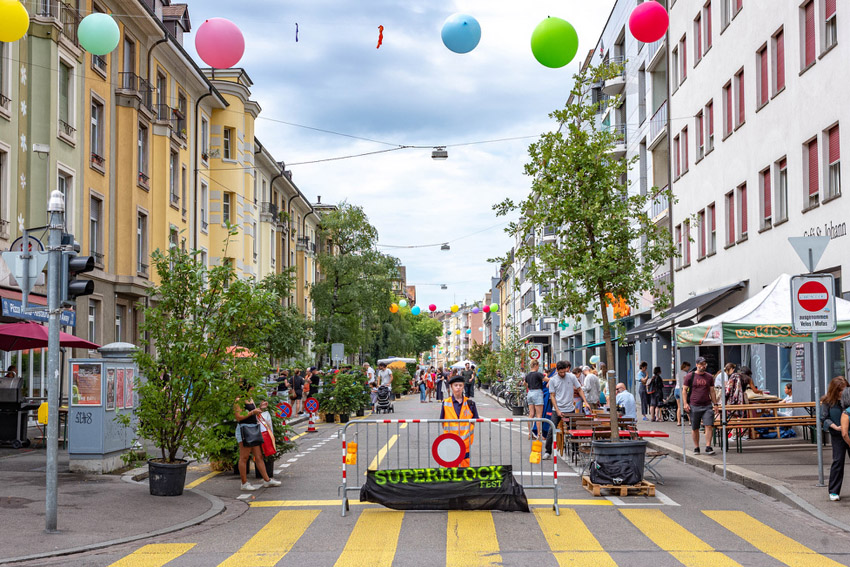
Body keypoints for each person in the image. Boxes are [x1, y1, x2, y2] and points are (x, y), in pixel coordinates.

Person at [234, 387, 281, 491]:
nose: (253, 391)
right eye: (251, 388)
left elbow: (255, 414)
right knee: (244, 457)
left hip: (253, 428)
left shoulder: (250, 398)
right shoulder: (239, 400)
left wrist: (260, 408)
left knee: (259, 456)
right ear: (246, 388)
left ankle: (267, 480)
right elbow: (238, 417)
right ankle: (244, 483)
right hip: (244, 430)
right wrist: (252, 412)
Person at [544, 361, 591, 460]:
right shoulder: (553, 380)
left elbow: (579, 389)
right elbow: (552, 396)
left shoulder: (571, 377)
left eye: (564, 372)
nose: (562, 374)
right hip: (557, 409)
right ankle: (548, 451)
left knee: (573, 431)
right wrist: (557, 410)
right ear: (557, 370)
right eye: (560, 372)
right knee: (551, 430)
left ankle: (575, 452)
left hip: (570, 409)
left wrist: (585, 402)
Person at [440, 375, 479, 467]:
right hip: (450, 441)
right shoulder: (445, 403)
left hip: (465, 442)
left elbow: (474, 420)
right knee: (451, 466)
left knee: (465, 467)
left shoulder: (470, 403)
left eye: (460, 385)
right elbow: (442, 421)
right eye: (456, 385)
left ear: (463, 386)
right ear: (451, 387)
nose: (458, 388)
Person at [821, 376, 849, 501]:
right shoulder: (828, 401)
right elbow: (824, 418)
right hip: (837, 434)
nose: (843, 392)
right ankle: (833, 491)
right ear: (835, 390)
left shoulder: (848, 399)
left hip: (849, 433)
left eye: (845, 389)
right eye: (841, 390)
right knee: (838, 460)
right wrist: (835, 427)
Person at [683, 356, 718, 455]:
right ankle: (696, 447)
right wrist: (685, 403)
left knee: (709, 425)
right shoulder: (690, 376)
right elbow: (684, 390)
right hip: (694, 405)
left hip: (707, 405)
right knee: (695, 428)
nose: (703, 366)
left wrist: (715, 404)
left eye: (704, 364)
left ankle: (708, 446)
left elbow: (712, 391)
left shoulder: (709, 377)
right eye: (701, 364)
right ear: (697, 365)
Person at [524, 360, 546, 439]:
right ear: (536, 365)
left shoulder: (528, 375)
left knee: (531, 414)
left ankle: (530, 434)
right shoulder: (538, 374)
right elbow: (546, 380)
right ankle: (539, 434)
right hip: (537, 392)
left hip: (530, 393)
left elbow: (524, 383)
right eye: (538, 366)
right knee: (539, 415)